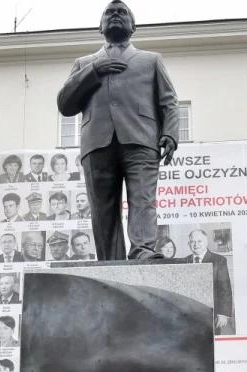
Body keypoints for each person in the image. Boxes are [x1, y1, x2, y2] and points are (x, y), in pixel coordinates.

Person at [57, 0, 179, 261]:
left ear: (133, 26)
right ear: (100, 26)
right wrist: (94, 71)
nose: (115, 15)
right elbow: (65, 104)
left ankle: (143, 251)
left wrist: (170, 133)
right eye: (109, 13)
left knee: (143, 199)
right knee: (102, 208)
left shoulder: (151, 60)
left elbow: (169, 101)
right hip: (97, 144)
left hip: (142, 140)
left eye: (122, 12)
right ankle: (110, 259)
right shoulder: (84, 63)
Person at [186, 228, 234, 334]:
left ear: (206, 242)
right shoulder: (185, 260)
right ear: (189, 244)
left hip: (211, 311)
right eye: (192, 241)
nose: (196, 244)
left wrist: (223, 314)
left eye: (199, 241)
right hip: (189, 310)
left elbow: (225, 288)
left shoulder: (219, 260)